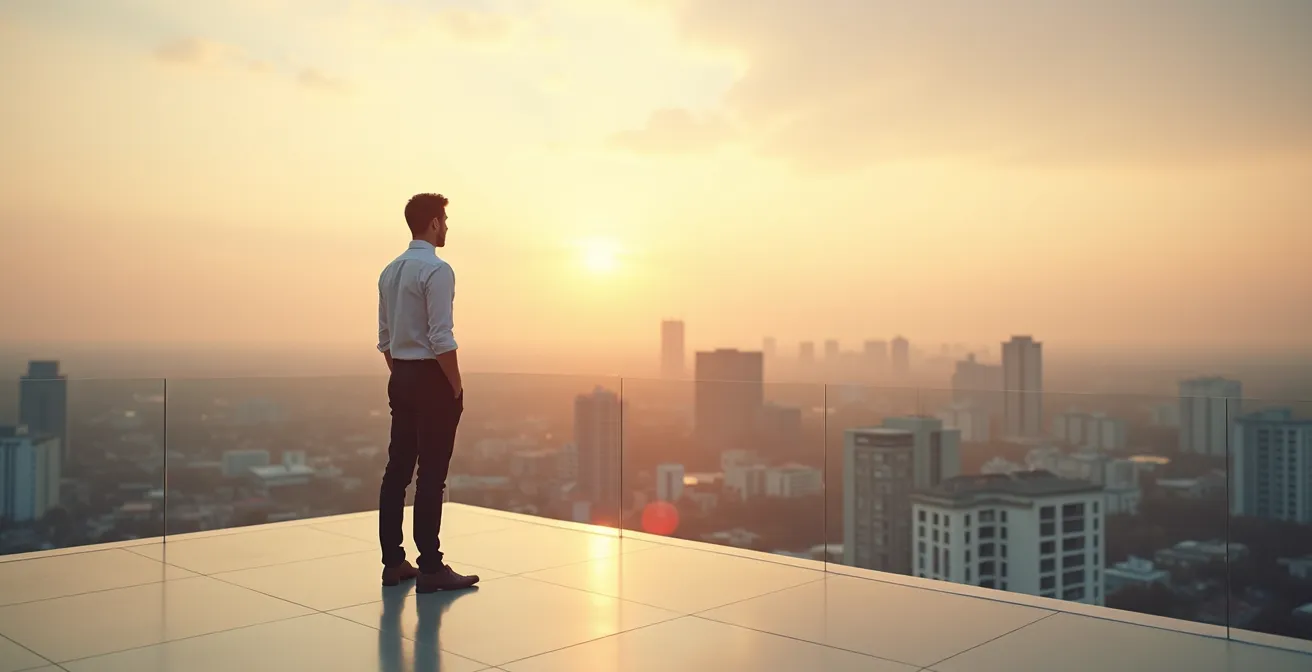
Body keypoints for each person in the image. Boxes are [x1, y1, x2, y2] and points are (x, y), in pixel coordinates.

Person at [376, 193, 479, 593]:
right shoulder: (437, 271)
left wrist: (403, 372)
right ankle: (432, 568)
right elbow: (441, 338)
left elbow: (385, 339)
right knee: (431, 477)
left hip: (399, 376)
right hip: (431, 380)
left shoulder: (389, 271)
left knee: (396, 472)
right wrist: (454, 385)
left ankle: (394, 563)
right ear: (434, 223)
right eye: (445, 220)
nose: (448, 227)